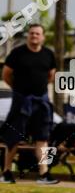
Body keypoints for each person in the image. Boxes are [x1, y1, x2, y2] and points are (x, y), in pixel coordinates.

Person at [0, 24, 60, 184]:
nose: (34, 36)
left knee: (43, 138)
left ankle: (44, 174)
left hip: (41, 102)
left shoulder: (48, 54)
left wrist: (38, 90)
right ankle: (6, 172)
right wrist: (18, 90)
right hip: (21, 102)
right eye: (32, 33)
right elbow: (6, 74)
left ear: (43, 37)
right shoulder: (17, 53)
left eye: (37, 34)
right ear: (28, 36)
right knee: (14, 137)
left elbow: (51, 75)